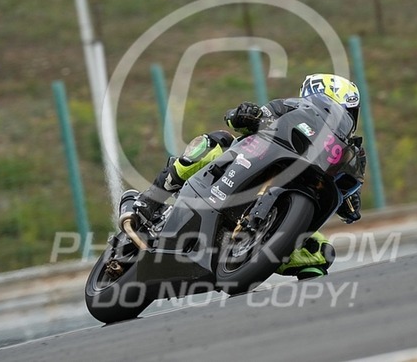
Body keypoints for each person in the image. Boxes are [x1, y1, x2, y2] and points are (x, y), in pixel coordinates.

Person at [132, 73, 365, 280]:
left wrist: (348, 195)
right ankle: (151, 200)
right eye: (348, 110)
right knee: (217, 141)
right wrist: (247, 114)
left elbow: (349, 206)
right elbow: (238, 119)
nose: (348, 117)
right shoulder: (291, 107)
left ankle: (292, 295)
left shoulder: (342, 148)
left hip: (274, 220)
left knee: (321, 252)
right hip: (243, 164)